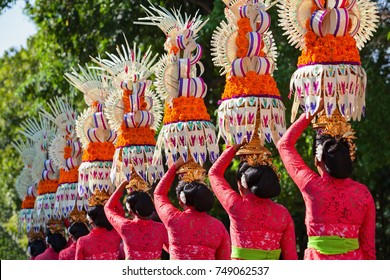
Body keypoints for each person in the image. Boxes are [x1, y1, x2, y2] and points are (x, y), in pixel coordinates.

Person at [276, 112, 376, 260]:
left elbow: (284, 145)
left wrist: (311, 111)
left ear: (318, 159)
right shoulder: (363, 194)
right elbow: (368, 247)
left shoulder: (311, 186)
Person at [209, 144, 298, 260]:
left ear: (241, 183)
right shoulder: (283, 214)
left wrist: (234, 147)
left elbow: (214, 173)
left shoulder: (236, 206)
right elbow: (291, 258)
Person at [154, 158, 231, 260]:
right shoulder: (218, 227)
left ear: (182, 200)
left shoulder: (173, 219)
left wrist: (175, 166)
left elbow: (159, 194)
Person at [104, 180, 169, 260]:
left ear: (130, 211)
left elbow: (108, 208)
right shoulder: (161, 228)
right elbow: (171, 249)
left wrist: (123, 185)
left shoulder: (125, 226)